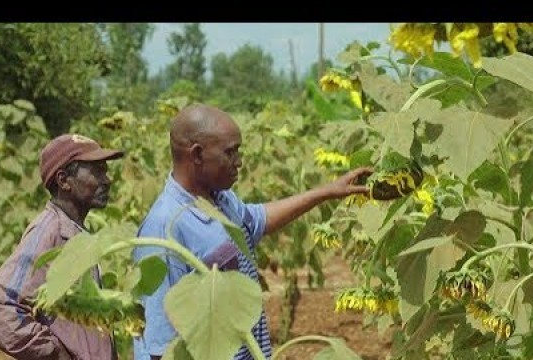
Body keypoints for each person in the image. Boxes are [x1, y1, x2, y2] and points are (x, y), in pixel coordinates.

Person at [132, 104, 371, 360]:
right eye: (230, 152)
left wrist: (327, 192)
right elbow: (160, 346)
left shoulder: (219, 199)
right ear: (198, 155)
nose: (239, 162)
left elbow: (256, 220)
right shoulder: (164, 229)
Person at [0, 134, 125, 360]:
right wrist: (54, 353)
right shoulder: (49, 231)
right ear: (64, 180)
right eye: (97, 171)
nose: (107, 180)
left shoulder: (74, 232)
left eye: (105, 171)